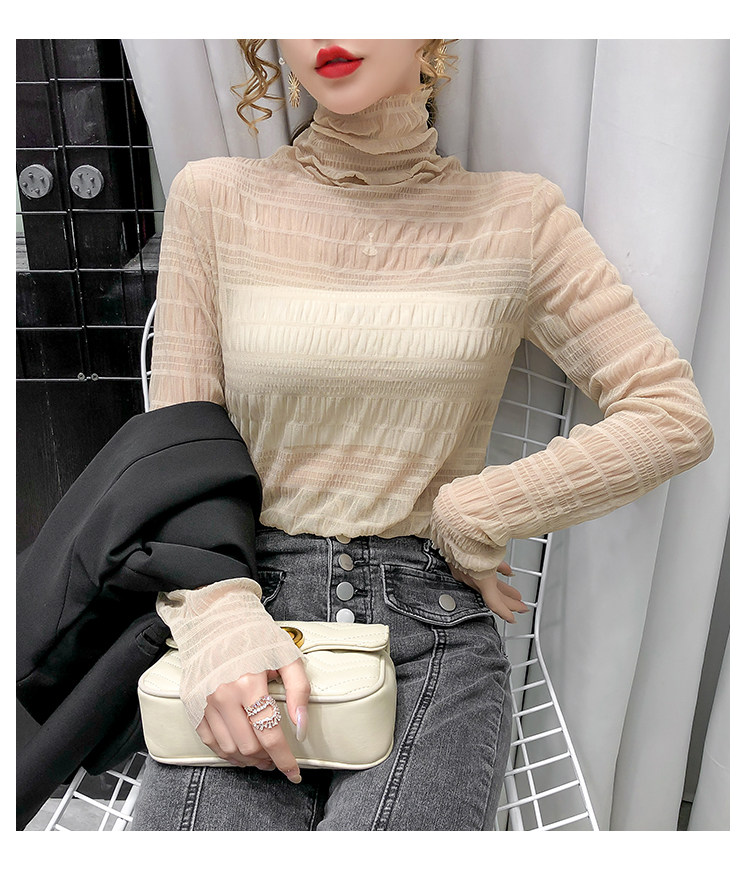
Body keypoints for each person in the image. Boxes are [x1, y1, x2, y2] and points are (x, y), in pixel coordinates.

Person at [130, 39, 713, 831]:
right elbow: (177, 458)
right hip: (250, 605)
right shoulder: (213, 198)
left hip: (429, 626)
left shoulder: (518, 218)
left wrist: (478, 509)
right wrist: (218, 621)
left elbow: (670, 412)